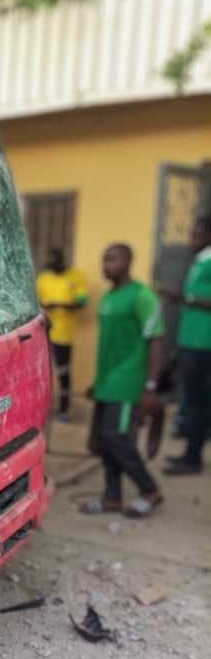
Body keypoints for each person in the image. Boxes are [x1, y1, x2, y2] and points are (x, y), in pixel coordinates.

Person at [81, 243, 164, 518]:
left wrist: (151, 386)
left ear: (128, 262)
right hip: (107, 379)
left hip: (128, 380)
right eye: (104, 259)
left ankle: (149, 490)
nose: (106, 265)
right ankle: (111, 498)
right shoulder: (107, 297)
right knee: (104, 441)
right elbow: (110, 345)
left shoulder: (143, 296)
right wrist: (97, 382)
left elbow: (156, 341)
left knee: (116, 436)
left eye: (113, 259)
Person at [157, 215, 211, 475]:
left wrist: (181, 297)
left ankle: (193, 458)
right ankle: (190, 451)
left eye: (197, 233)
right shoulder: (200, 261)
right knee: (191, 398)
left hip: (204, 342)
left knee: (198, 399)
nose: (192, 237)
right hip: (190, 339)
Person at [36, 247, 88, 420]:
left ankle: (64, 410)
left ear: (62, 261)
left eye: (55, 262)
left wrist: (58, 305)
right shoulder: (43, 278)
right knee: (41, 372)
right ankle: (42, 408)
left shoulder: (76, 277)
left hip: (63, 334)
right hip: (42, 333)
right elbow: (35, 302)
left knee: (63, 372)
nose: (52, 265)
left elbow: (81, 302)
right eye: (50, 262)